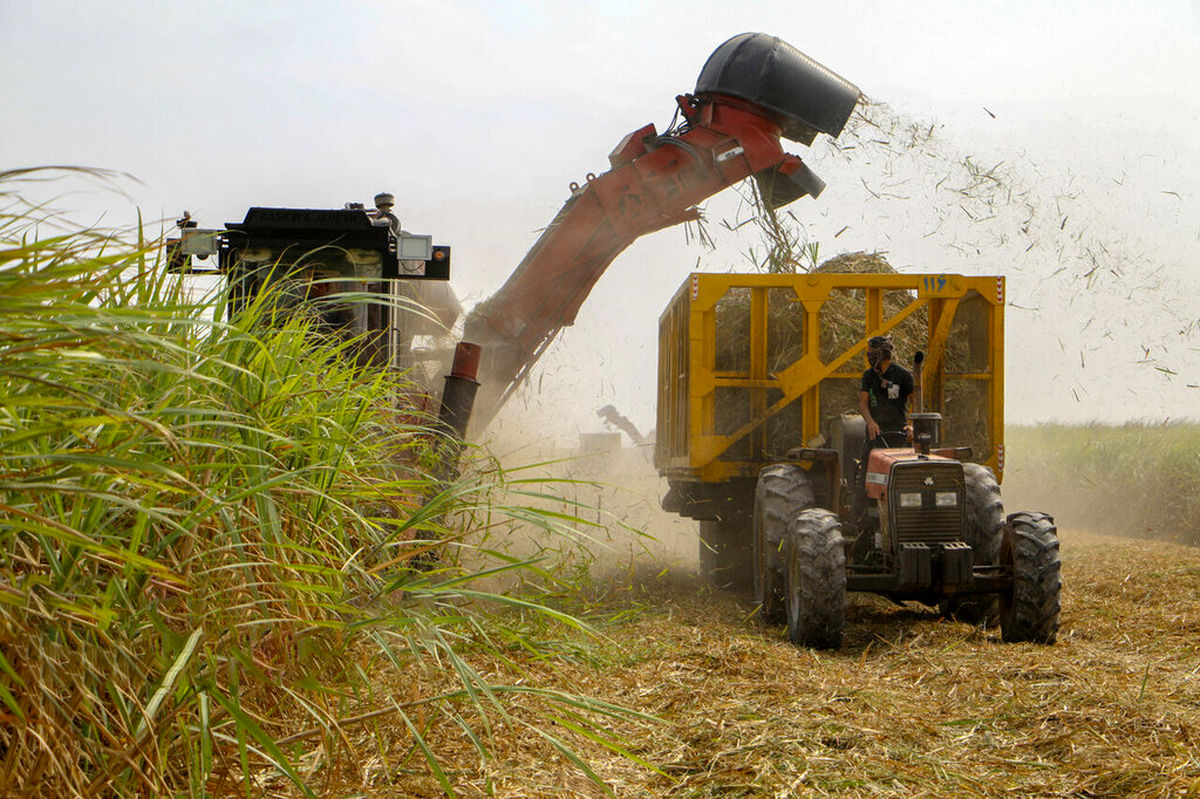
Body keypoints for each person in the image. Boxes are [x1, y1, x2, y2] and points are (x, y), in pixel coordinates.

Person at [851, 336, 914, 534]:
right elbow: (862, 403)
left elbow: (915, 402)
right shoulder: (868, 376)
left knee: (905, 476)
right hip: (876, 434)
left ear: (883, 354)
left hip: (899, 434)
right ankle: (859, 520)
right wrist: (871, 422)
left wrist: (912, 426)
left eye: (872, 353)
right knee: (864, 476)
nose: (869, 357)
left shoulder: (903, 375)